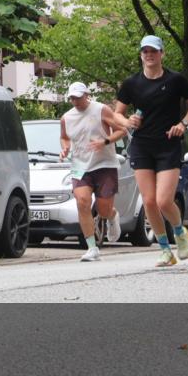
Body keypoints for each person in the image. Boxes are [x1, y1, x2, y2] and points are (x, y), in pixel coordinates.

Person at [115, 35, 188, 267]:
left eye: (153, 51)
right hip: (142, 146)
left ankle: (180, 234)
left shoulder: (176, 80)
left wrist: (182, 124)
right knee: (149, 201)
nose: (149, 55)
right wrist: (127, 122)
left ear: (162, 54)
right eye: (145, 51)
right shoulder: (131, 84)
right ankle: (165, 250)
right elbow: (116, 114)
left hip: (168, 145)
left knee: (164, 201)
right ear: (141, 55)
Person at [59, 82, 127, 262]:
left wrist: (104, 142)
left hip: (104, 164)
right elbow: (64, 137)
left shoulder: (101, 110)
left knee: (103, 209)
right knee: (82, 202)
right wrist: (65, 149)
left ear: (86, 95)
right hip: (80, 166)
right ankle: (92, 248)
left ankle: (111, 216)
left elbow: (121, 130)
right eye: (72, 97)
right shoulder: (66, 117)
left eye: (78, 97)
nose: (75, 101)